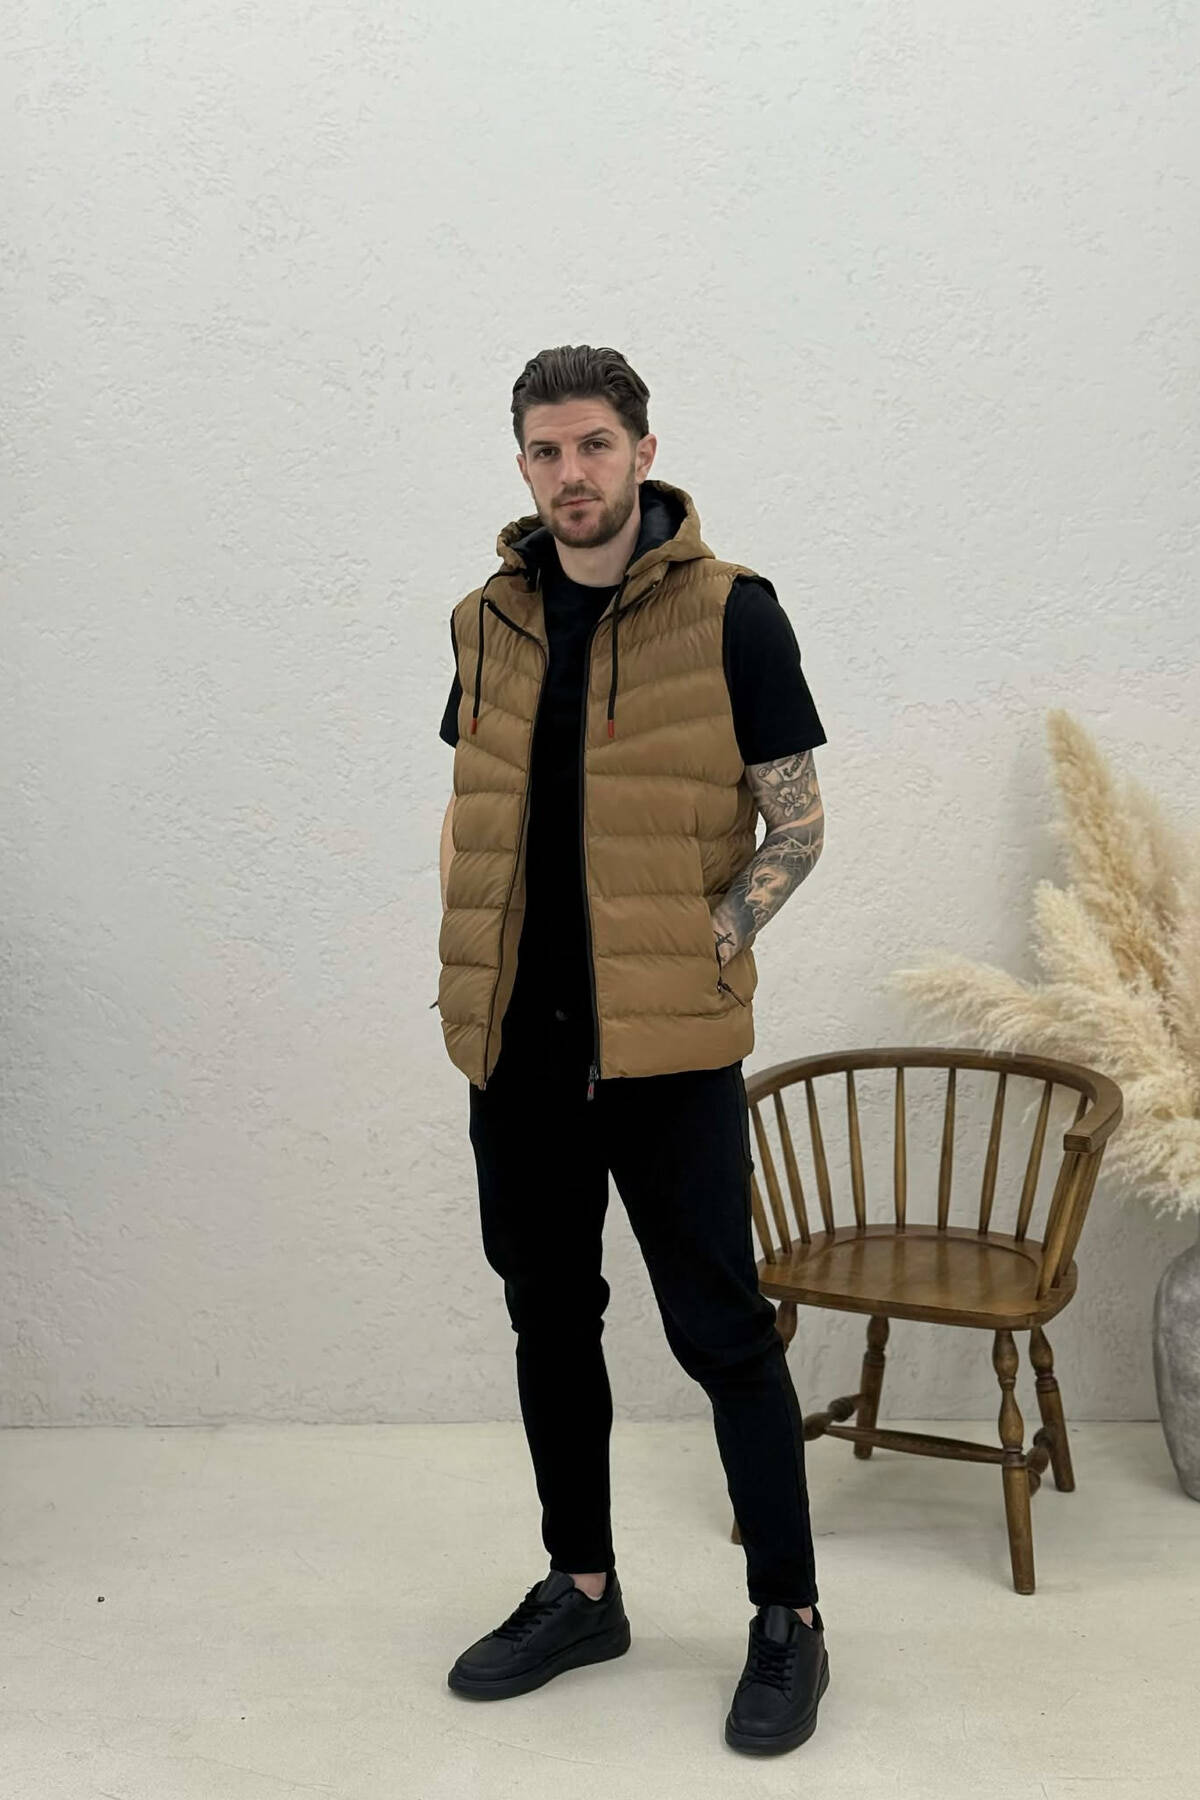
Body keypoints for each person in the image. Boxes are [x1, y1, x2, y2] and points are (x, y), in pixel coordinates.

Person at [434, 345, 830, 1756]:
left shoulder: (733, 615)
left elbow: (798, 821)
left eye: (594, 445)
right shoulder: (485, 619)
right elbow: (475, 807)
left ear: (643, 452)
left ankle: (788, 1617)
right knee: (550, 1322)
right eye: (546, 451)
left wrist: (711, 942)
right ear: (524, 465)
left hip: (668, 1059)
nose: (571, 474)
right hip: (518, 1056)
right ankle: (583, 1589)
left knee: (723, 1335)